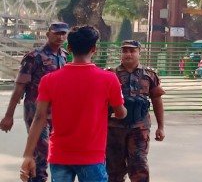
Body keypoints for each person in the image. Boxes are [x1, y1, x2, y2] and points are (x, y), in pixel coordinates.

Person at [19, 25, 126, 182]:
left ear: (68, 48)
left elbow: (39, 118)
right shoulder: (109, 79)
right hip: (91, 156)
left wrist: (28, 155)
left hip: (60, 155)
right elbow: (121, 113)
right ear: (94, 49)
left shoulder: (49, 80)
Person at [1, 21, 69, 182]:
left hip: (57, 113)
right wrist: (8, 116)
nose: (60, 36)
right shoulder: (34, 57)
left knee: (54, 152)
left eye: (63, 33)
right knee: (41, 152)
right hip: (36, 111)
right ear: (48, 34)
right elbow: (19, 87)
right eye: (56, 33)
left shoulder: (64, 55)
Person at [106, 40, 165, 182]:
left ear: (139, 52)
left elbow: (157, 100)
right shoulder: (109, 74)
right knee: (113, 169)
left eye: (132, 51)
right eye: (125, 51)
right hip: (114, 128)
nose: (128, 54)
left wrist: (161, 127)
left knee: (139, 166)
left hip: (139, 128)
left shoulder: (150, 75)